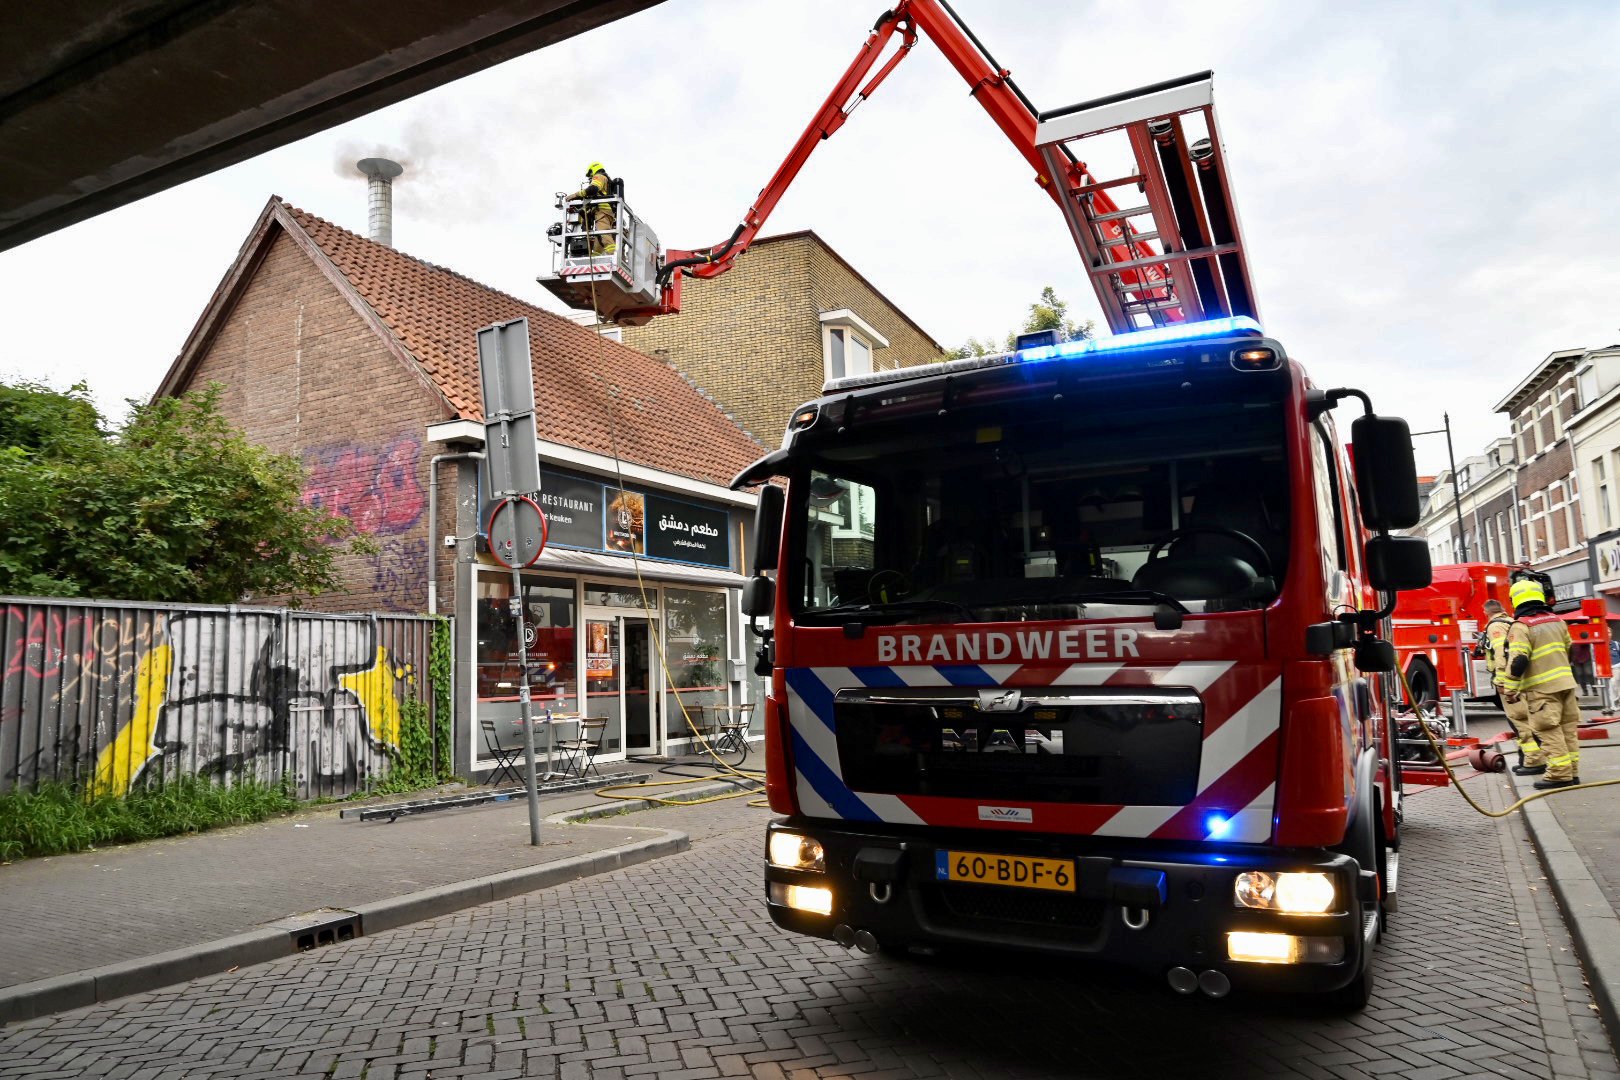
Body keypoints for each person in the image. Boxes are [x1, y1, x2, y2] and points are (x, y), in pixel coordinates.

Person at [1502, 578, 1581, 790]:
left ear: (1515, 601)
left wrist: (1510, 689)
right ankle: (1572, 772)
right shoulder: (1557, 621)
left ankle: (1558, 774)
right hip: (1566, 684)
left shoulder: (1521, 627)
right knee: (1568, 730)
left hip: (1542, 689)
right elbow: (1569, 650)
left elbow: (1519, 659)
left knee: (1549, 730)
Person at [1483, 598, 1544, 774]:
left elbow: (1502, 656)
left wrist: (1503, 682)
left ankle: (1533, 761)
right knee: (1528, 719)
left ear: (1486, 612)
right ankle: (1526, 759)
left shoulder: (1495, 627)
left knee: (1519, 722)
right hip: (1524, 679)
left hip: (1510, 681)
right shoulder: (1513, 622)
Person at [567, 162, 617, 255]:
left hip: (603, 212)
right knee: (599, 242)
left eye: (590, 175)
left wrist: (575, 195)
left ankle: (614, 256)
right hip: (605, 212)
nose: (590, 178)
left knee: (604, 234)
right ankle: (595, 258)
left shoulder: (599, 176)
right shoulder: (606, 179)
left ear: (593, 170)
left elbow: (592, 189)